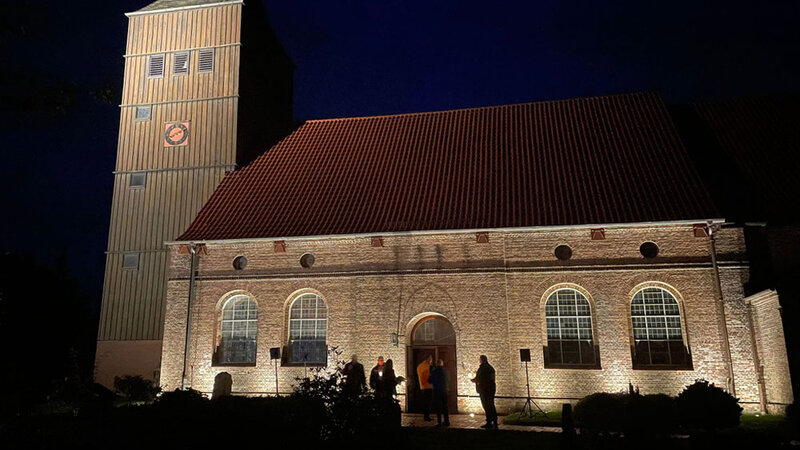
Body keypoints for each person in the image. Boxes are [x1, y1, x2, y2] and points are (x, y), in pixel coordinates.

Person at [471, 354, 497, 429]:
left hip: (484, 390)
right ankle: (494, 420)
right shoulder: (490, 367)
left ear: (481, 360)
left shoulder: (483, 368)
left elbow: (480, 378)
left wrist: (473, 379)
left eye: (479, 359)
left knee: (486, 405)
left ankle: (489, 421)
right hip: (491, 389)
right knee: (491, 405)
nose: (479, 361)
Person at [429, 358, 450, 426]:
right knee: (445, 406)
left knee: (438, 407)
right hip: (445, 390)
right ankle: (447, 421)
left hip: (437, 391)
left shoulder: (435, 371)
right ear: (442, 364)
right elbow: (449, 379)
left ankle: (439, 422)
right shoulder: (446, 371)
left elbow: (430, 380)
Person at [416, 355, 434, 421]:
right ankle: (427, 417)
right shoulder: (427, 367)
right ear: (428, 359)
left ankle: (426, 416)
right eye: (431, 359)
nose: (432, 361)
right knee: (428, 403)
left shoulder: (420, 366)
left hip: (423, 387)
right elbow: (429, 377)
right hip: (428, 386)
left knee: (426, 402)